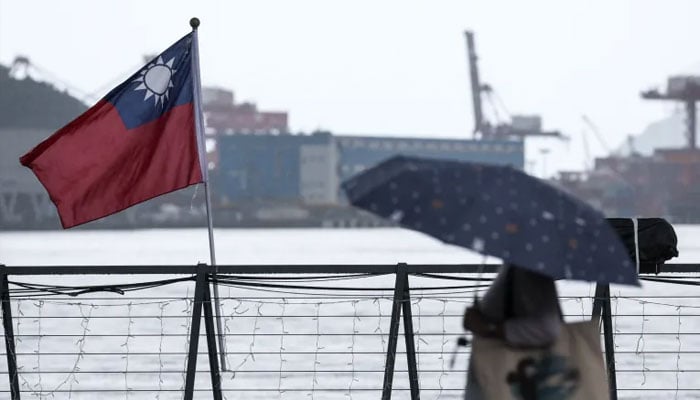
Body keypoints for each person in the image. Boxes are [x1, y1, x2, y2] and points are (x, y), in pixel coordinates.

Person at [463, 263, 562, 399]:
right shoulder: (517, 266)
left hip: (502, 379)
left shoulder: (526, 269)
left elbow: (547, 328)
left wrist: (487, 327)